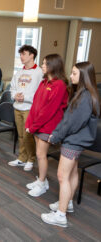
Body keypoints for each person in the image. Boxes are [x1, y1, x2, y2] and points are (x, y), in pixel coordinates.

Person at [41, 62, 100, 227]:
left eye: (74, 73)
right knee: (73, 173)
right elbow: (68, 119)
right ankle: (67, 203)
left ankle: (61, 215)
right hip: (76, 141)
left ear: (83, 76)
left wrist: (56, 136)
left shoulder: (85, 97)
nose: (71, 76)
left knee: (62, 176)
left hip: (73, 142)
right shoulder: (84, 93)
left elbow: (72, 123)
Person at [25, 54, 68, 197]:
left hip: (47, 125)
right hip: (38, 124)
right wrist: (30, 123)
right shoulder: (44, 83)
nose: (42, 66)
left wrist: (34, 126)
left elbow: (49, 110)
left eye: (45, 64)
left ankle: (42, 183)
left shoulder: (59, 85)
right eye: (42, 63)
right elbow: (35, 105)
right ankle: (41, 181)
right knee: (39, 155)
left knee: (40, 155)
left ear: (53, 66)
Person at [8, 45, 43, 171]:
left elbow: (40, 92)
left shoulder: (39, 72)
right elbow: (12, 88)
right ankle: (22, 158)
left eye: (24, 54)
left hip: (30, 108)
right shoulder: (19, 72)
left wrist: (26, 97)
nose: (21, 57)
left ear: (32, 55)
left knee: (28, 135)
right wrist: (14, 95)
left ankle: (31, 159)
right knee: (21, 135)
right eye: (21, 54)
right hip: (18, 107)